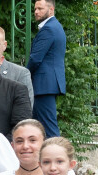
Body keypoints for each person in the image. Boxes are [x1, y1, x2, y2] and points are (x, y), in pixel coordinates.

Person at [27, 0, 66, 137]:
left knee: (49, 129)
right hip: (46, 84)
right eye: (35, 8)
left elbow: (35, 59)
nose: (36, 11)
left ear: (51, 10)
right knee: (38, 128)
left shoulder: (49, 28)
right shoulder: (55, 26)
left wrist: (24, 75)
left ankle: (59, 157)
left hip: (44, 84)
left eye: (40, 8)